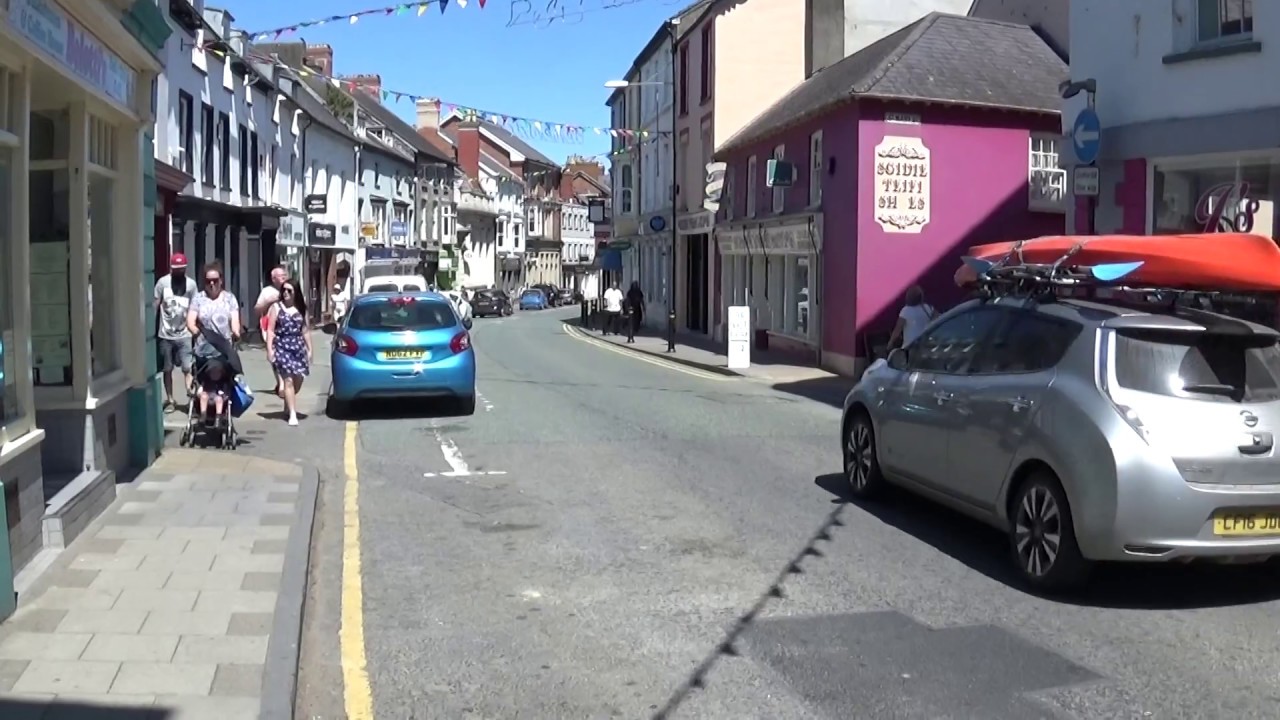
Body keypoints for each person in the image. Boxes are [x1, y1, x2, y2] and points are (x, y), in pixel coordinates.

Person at [186, 261, 242, 420]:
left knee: (223, 375)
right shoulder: (198, 298)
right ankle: (202, 413)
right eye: (208, 281)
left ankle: (220, 413)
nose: (211, 284)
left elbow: (235, 320)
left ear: (221, 280)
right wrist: (195, 331)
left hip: (223, 349)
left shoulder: (230, 299)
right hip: (203, 348)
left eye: (215, 280)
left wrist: (236, 332)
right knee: (204, 377)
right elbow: (190, 320)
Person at [266, 278, 313, 427]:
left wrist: (310, 349)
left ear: (295, 293)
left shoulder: (301, 309)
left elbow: (305, 330)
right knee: (288, 380)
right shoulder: (276, 308)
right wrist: (269, 349)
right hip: (282, 346)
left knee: (298, 380)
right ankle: (292, 413)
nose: (285, 293)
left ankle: (288, 401)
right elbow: (270, 330)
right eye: (283, 290)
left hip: (297, 348)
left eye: (289, 291)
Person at [154, 253, 196, 412]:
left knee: (188, 367)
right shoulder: (163, 283)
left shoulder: (191, 285)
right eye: (176, 269)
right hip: (165, 334)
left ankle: (191, 396)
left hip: (185, 334)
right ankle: (170, 399)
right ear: (171, 269)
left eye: (182, 269)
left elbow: (195, 306)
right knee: (167, 368)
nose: (179, 272)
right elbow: (155, 304)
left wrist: (195, 328)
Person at [255, 266, 287, 394]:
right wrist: (269, 302)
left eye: (285, 274)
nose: (284, 276)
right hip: (271, 327)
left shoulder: (291, 288)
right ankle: (281, 383)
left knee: (286, 355)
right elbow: (257, 310)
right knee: (275, 355)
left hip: (288, 328)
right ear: (273, 279)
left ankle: (285, 382)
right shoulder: (267, 291)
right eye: (280, 275)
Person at [888, 285, 936, 350]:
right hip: (925, 343)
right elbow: (938, 319)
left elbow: (898, 329)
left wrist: (890, 343)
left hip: (910, 345)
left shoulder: (906, 311)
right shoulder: (928, 308)